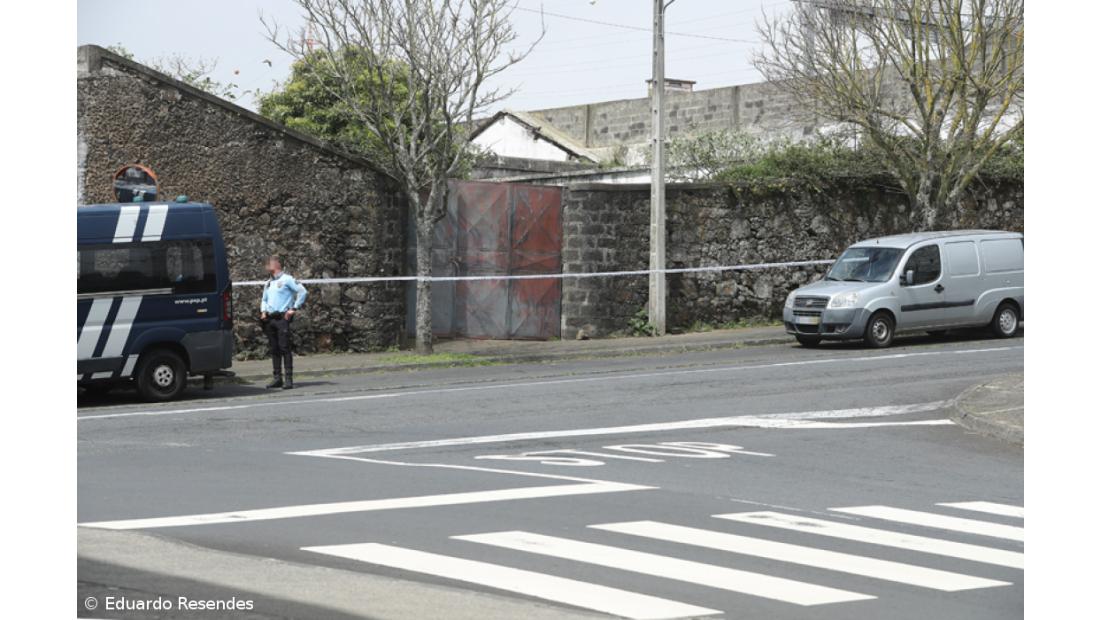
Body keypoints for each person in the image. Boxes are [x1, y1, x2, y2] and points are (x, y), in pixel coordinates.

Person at [260, 255, 308, 389]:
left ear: (276, 264)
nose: (265, 266)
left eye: (268, 263)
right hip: (270, 319)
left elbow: (302, 292)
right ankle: (277, 378)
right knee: (274, 349)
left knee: (284, 348)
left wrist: (294, 308)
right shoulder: (268, 282)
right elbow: (264, 299)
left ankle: (288, 379)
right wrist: (263, 311)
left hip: (282, 318)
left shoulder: (287, 279)